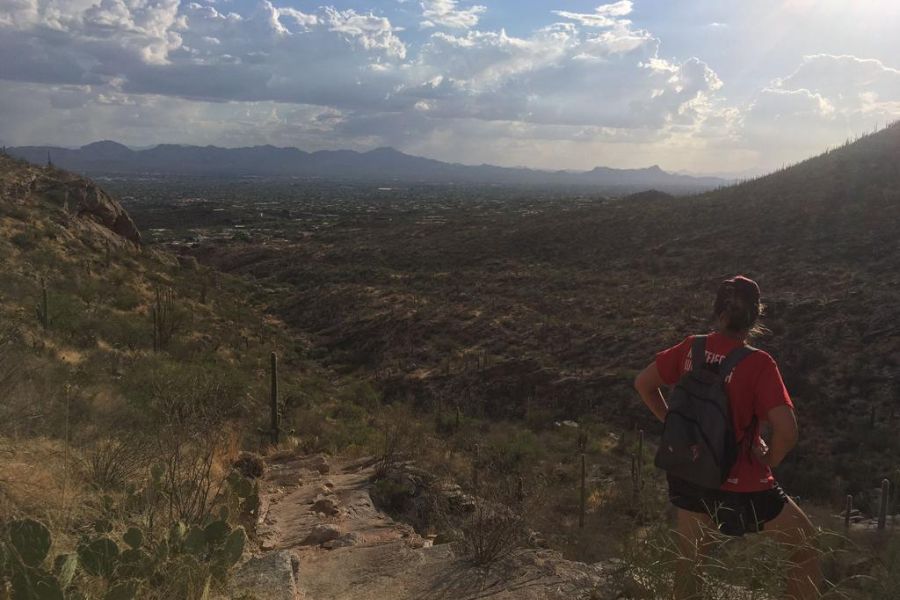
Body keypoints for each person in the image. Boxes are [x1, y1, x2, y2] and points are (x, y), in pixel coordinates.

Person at [633, 275, 821, 600]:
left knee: (690, 562)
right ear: (755, 316)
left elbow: (643, 384)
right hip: (743, 485)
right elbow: (787, 429)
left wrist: (671, 421)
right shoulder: (759, 363)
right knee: (804, 549)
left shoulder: (691, 347)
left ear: (718, 312)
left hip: (690, 472)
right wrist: (770, 459)